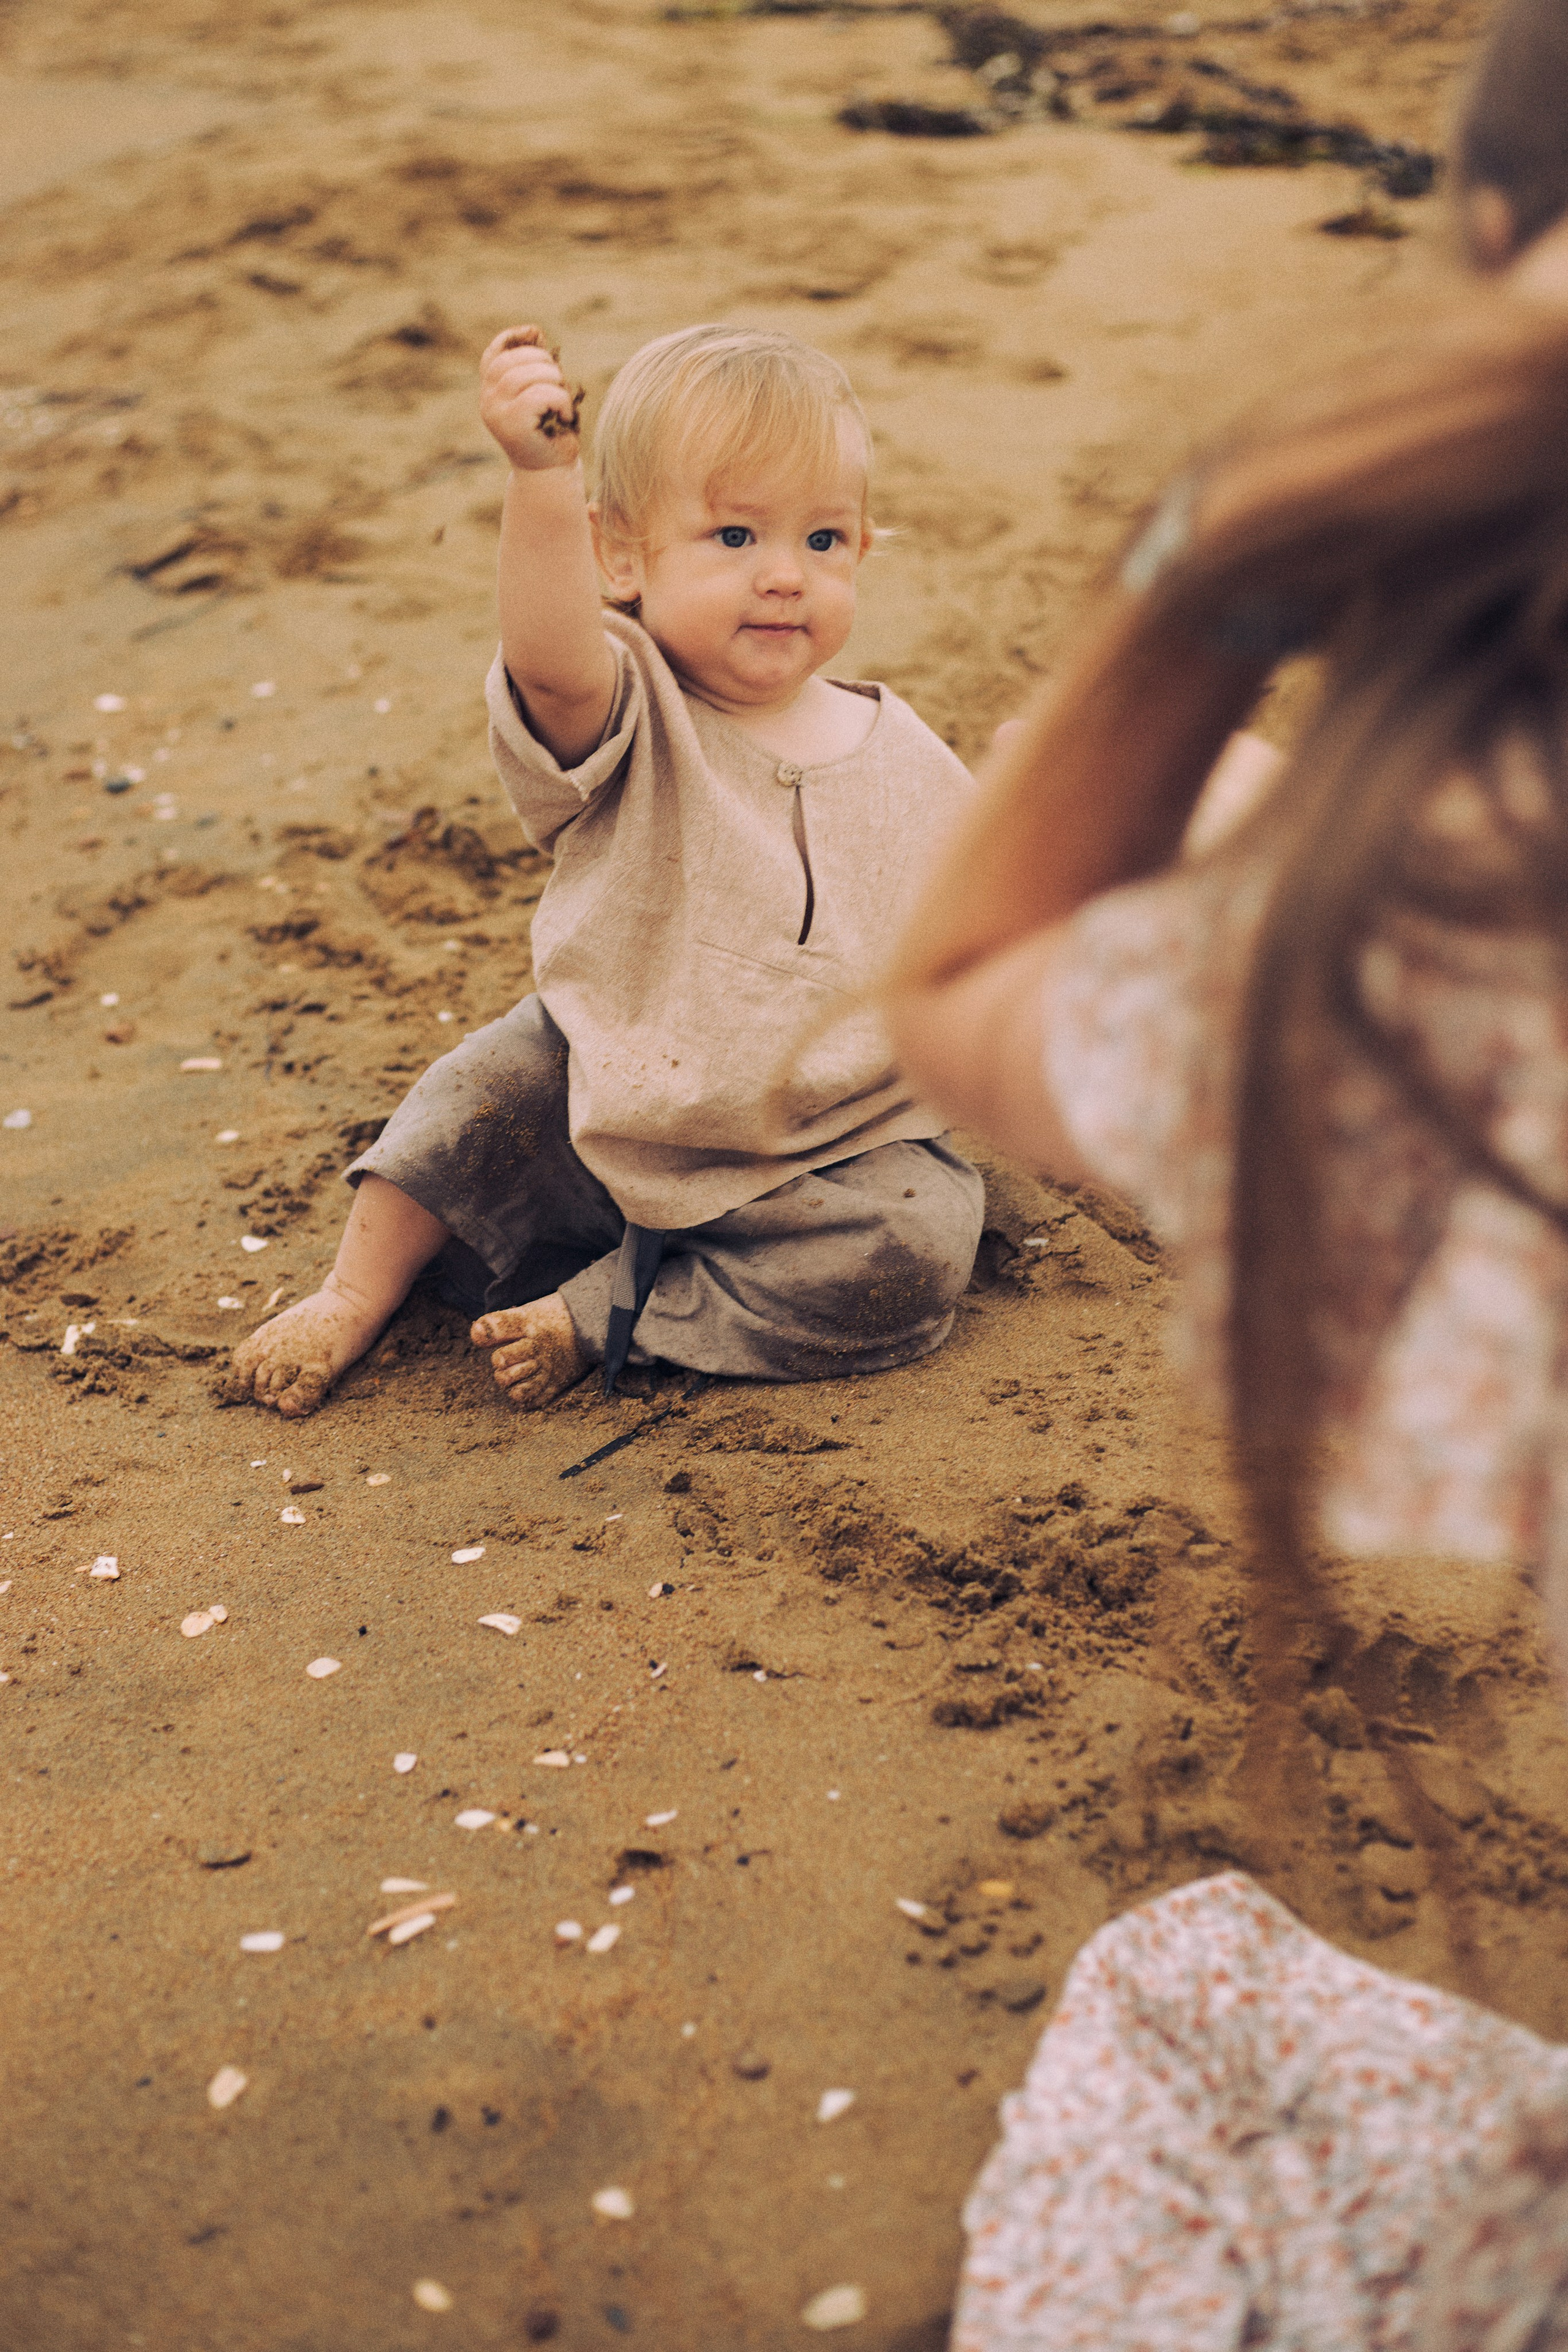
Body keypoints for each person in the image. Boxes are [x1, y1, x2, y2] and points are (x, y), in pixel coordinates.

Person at [881, 0, 1568, 2339]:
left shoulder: (1452, 956)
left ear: (1488, 251)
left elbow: (967, 978)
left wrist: (1229, 558)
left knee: (1182, 2013)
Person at [222, 322, 982, 1421]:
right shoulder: (632, 702)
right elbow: (550, 656)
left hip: (813, 1148)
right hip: (610, 1089)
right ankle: (352, 1292)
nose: (783, 574)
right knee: (480, 1094)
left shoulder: (905, 749)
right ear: (621, 561)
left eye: (822, 539)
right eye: (732, 534)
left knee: (917, 1246)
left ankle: (612, 1309)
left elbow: (993, 912)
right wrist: (542, 479)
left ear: (864, 549)